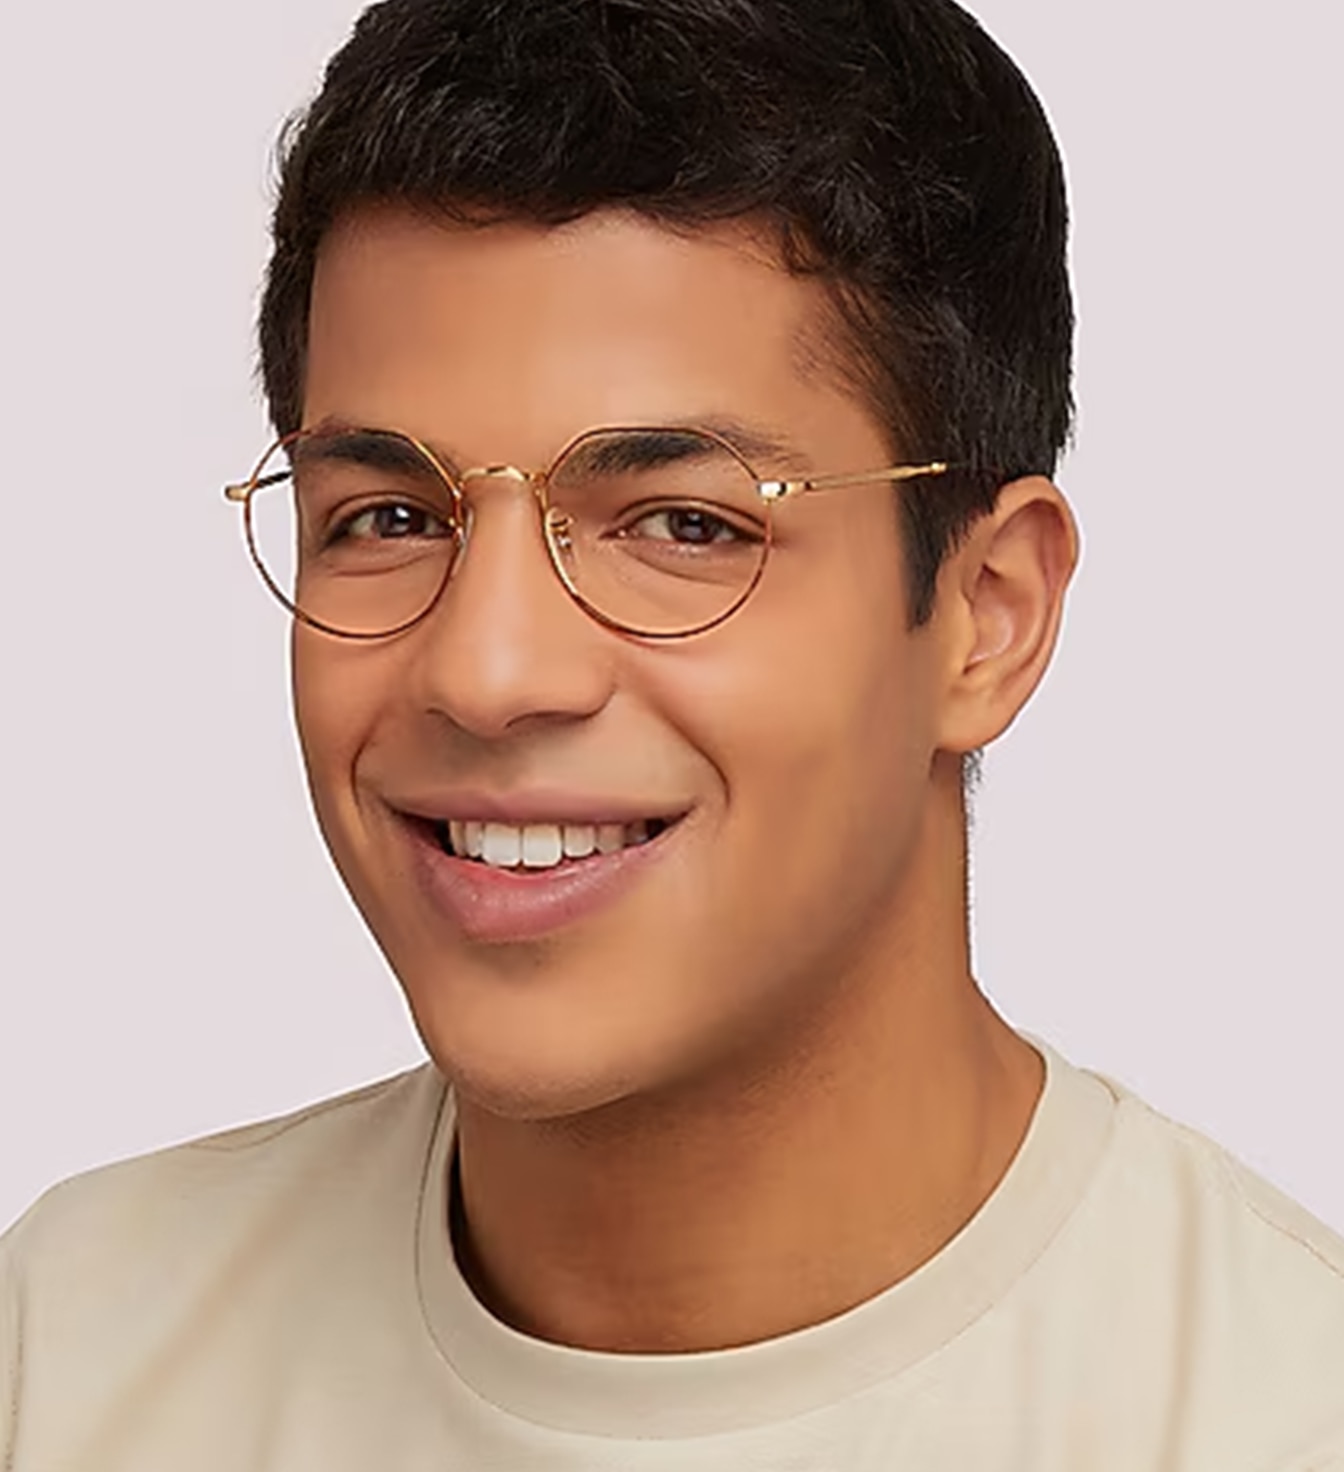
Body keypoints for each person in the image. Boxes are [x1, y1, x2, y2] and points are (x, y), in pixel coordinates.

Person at [2, 0, 1341, 1465]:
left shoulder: (1276, 1410)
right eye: (387, 518)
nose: (486, 668)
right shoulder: (69, 1354)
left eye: (683, 526)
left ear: (989, 615)